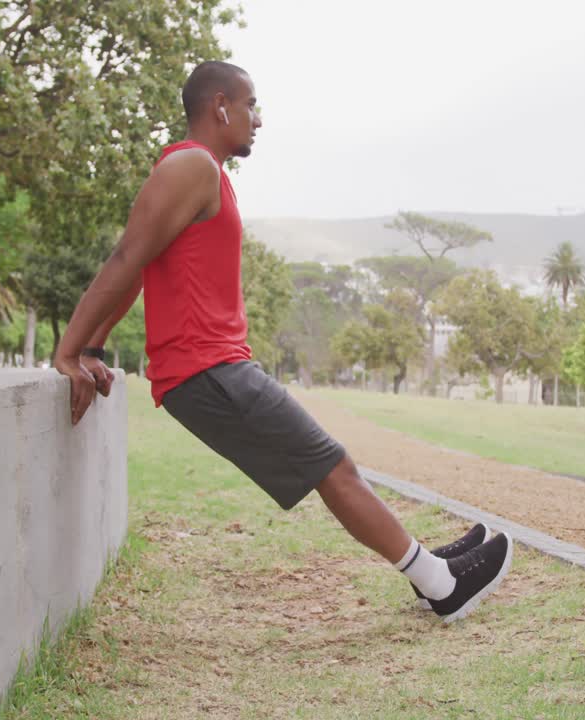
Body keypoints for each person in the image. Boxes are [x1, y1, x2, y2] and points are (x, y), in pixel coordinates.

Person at [53, 61, 511, 623]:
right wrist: (69, 351)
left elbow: (141, 266)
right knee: (333, 467)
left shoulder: (206, 172)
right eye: (250, 105)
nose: (258, 120)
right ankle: (440, 585)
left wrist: (93, 351)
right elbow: (127, 257)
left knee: (332, 465)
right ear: (219, 106)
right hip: (207, 369)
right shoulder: (192, 166)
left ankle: (429, 567)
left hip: (214, 366)